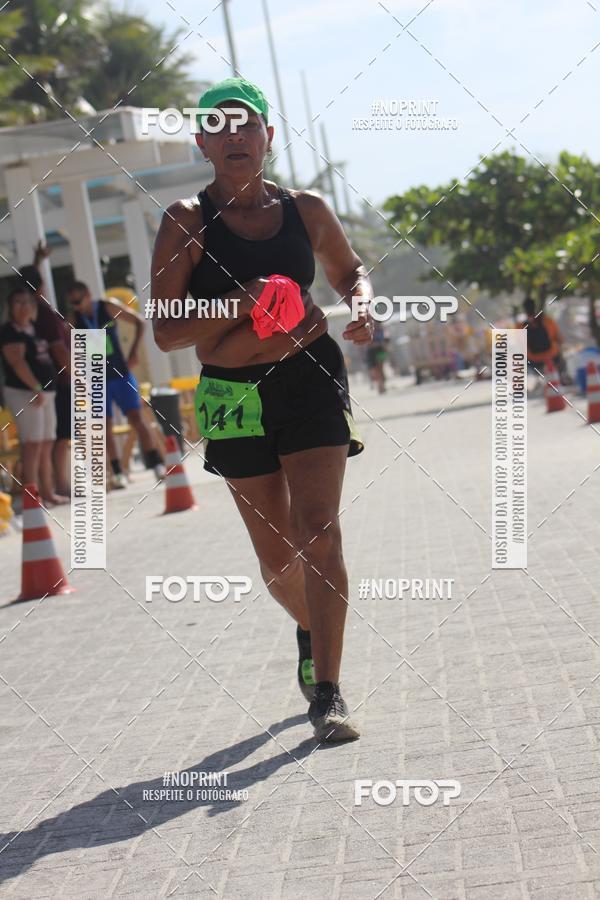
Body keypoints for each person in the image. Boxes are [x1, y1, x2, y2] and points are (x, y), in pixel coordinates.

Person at [151, 77, 374, 742]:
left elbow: (349, 270)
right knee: (280, 564)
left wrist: (362, 302)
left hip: (309, 380)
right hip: (230, 396)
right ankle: (311, 629)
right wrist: (239, 302)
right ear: (201, 143)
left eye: (246, 124)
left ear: (269, 136)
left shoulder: (305, 210)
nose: (234, 136)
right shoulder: (186, 221)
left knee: (320, 534)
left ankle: (328, 696)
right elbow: (165, 329)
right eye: (218, 126)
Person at [67, 281, 165, 486]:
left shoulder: (107, 306)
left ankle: (156, 464)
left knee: (137, 418)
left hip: (121, 373)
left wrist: (134, 351)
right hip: (97, 379)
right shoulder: (74, 319)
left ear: (88, 294)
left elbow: (140, 322)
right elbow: (69, 349)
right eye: (72, 303)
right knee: (105, 427)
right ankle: (118, 472)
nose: (77, 305)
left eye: (79, 300)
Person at [0, 287, 63, 504]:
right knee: (32, 444)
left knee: (46, 443)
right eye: (18, 302)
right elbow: (17, 363)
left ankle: (47, 492)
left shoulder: (34, 328)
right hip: (25, 391)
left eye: (26, 302)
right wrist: (35, 387)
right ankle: (32, 495)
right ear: (10, 307)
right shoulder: (9, 331)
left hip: (46, 391)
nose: (23, 306)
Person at [19, 246, 72, 496]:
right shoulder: (45, 314)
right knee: (60, 437)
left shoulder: (24, 311)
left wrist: (37, 261)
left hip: (43, 381)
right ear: (41, 287)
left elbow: (29, 280)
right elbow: (59, 351)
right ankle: (61, 484)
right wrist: (76, 375)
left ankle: (52, 486)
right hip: (59, 380)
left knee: (48, 438)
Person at [520, 297, 563, 376]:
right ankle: (561, 375)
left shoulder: (520, 326)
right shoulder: (548, 322)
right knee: (559, 352)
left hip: (533, 361)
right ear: (535, 307)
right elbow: (560, 340)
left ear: (524, 310)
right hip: (551, 357)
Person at [366, 323, 388, 393]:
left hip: (379, 350)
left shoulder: (381, 330)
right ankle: (381, 385)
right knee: (376, 370)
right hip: (372, 351)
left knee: (380, 369)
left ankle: (381, 386)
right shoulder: (369, 329)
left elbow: (385, 341)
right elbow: (368, 343)